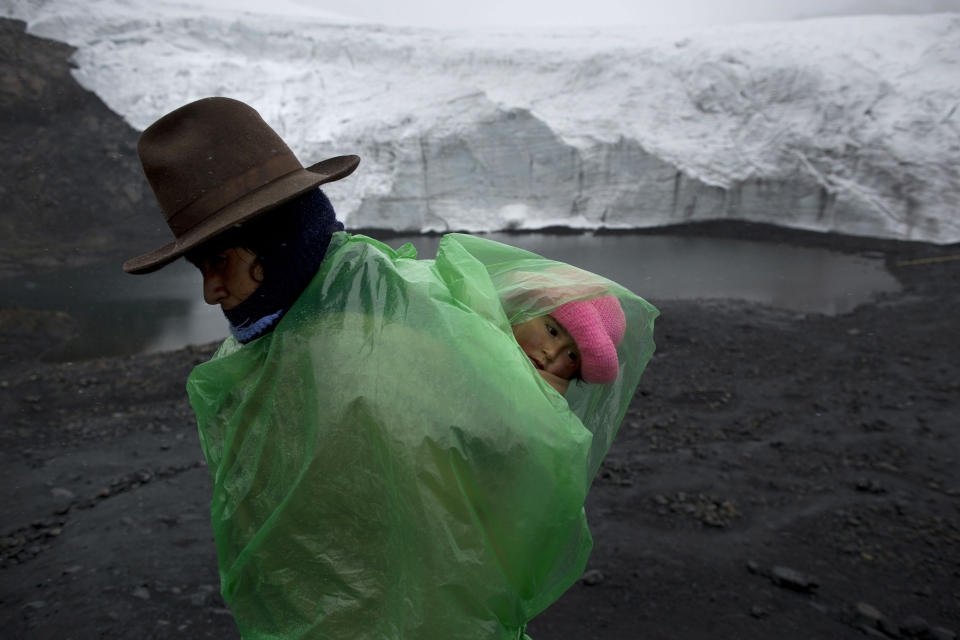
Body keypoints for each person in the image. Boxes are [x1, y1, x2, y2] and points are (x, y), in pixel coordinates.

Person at [124, 96, 658, 639]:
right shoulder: (308, 328)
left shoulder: (376, 329)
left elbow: (513, 468)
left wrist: (528, 398)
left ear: (280, 244)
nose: (212, 293)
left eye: (219, 261)